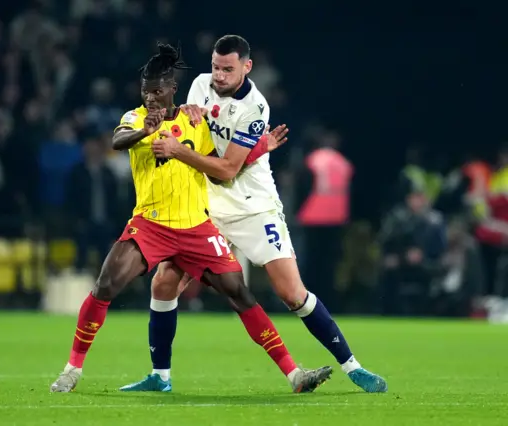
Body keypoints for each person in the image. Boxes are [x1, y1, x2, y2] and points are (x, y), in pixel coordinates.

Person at [50, 43, 332, 393]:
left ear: (172, 91)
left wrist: (258, 148)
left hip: (197, 228)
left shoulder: (195, 122)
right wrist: (145, 130)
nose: (151, 98)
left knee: (240, 295)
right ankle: (72, 369)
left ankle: (294, 375)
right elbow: (118, 140)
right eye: (145, 92)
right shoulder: (134, 119)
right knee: (106, 285)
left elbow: (220, 172)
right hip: (151, 224)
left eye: (157, 91)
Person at [121, 35, 387, 393]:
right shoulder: (200, 85)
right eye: (215, 66)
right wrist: (183, 114)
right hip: (208, 207)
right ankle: (160, 376)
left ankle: (353, 367)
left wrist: (181, 152)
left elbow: (228, 169)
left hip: (253, 207)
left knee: (292, 293)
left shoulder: (255, 108)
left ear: (247, 67)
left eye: (227, 69)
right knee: (164, 282)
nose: (218, 75)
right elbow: (188, 130)